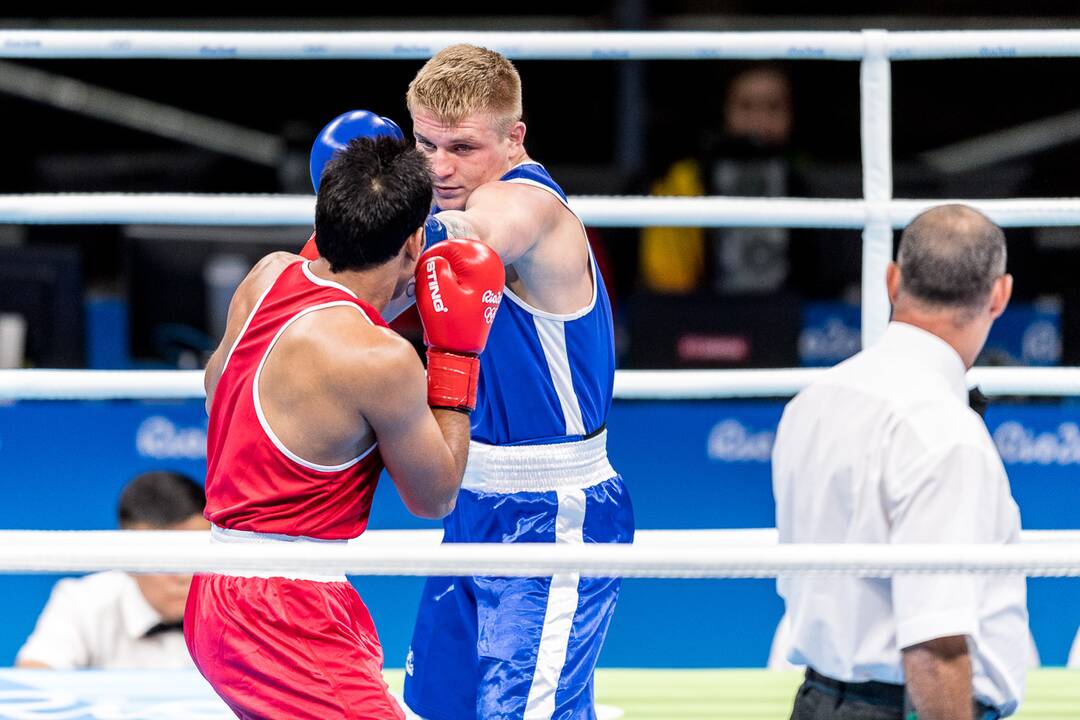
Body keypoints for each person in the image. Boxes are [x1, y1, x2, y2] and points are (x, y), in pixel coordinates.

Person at [185, 136, 504, 720]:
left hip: (219, 589)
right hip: (284, 609)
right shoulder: (378, 359)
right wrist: (457, 357)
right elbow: (435, 497)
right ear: (414, 240)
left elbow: (216, 395)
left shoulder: (266, 278)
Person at [400, 44, 634, 720]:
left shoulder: (527, 202)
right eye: (424, 144)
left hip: (553, 510)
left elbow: (476, 241)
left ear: (513, 137)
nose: (440, 167)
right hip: (470, 497)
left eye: (463, 148)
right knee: (437, 710)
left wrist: (370, 203)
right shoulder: (435, 200)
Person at [772, 204, 1030, 719]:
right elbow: (934, 649)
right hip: (907, 707)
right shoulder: (945, 432)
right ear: (999, 295)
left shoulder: (813, 402)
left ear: (893, 281)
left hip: (817, 700)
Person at [16, 470, 208, 669]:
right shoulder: (82, 601)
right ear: (129, 560)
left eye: (196, 552)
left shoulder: (237, 601)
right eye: (166, 557)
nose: (184, 575)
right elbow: (36, 675)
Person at [639, 63, 796, 295]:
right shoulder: (689, 177)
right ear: (724, 109)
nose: (759, 119)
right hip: (705, 316)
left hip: (787, 316)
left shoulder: (802, 184)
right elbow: (667, 280)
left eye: (773, 107)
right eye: (746, 106)